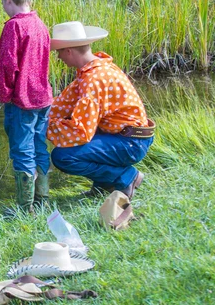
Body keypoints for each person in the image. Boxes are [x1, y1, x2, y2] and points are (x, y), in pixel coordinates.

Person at [47, 21, 155, 199]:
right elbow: (63, 103)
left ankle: (126, 177)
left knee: (63, 156)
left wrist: (46, 128)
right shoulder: (94, 69)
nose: (58, 57)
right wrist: (37, 112)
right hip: (128, 137)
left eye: (59, 52)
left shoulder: (93, 80)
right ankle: (105, 186)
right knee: (91, 133)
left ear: (69, 51)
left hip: (131, 143)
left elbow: (81, 131)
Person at [0, 0, 53, 213]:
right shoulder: (40, 24)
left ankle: (25, 207)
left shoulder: (14, 26)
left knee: (22, 150)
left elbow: (7, 64)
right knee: (40, 147)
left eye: (3, 2)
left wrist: (5, 94)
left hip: (22, 100)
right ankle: (42, 200)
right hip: (43, 98)